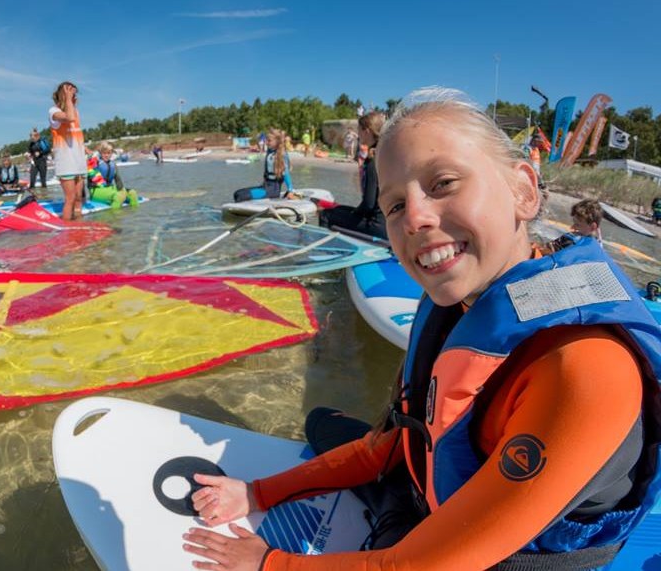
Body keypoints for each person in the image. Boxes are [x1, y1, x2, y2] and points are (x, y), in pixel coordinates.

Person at [182, 87, 661, 570]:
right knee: (322, 424)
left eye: (444, 183)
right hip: (432, 489)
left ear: (523, 190)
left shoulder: (585, 369)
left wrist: (269, 562)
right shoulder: (460, 305)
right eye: (393, 206)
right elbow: (407, 437)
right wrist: (257, 492)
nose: (413, 218)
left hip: (493, 556)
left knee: (375, 496)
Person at [318, 111, 387, 239]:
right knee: (338, 210)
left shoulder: (373, 162)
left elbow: (368, 204)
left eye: (359, 130)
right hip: (387, 223)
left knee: (325, 215)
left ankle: (326, 252)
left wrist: (355, 213)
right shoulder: (384, 156)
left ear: (367, 131)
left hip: (376, 225)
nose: (358, 135)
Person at [49, 81, 87, 220]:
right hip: (66, 162)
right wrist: (68, 99)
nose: (74, 97)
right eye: (71, 93)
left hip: (78, 160)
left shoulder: (76, 111)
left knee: (78, 198)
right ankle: (68, 228)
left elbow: (75, 133)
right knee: (70, 198)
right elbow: (69, 118)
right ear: (63, 95)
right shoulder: (54, 111)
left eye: (75, 94)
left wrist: (85, 149)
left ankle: (79, 225)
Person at [233, 129, 294, 202]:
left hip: (272, 191)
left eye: (269, 140)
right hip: (265, 186)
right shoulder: (270, 151)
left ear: (277, 142)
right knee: (237, 194)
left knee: (241, 196)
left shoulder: (282, 155)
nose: (266, 142)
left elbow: (286, 174)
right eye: (266, 140)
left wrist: (290, 191)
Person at [86, 142, 139, 209]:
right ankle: (114, 217)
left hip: (110, 189)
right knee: (118, 196)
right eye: (104, 153)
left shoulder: (113, 165)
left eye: (109, 153)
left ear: (111, 153)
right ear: (100, 153)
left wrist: (122, 190)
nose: (106, 155)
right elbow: (90, 174)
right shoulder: (94, 162)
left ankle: (134, 217)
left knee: (132, 193)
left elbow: (118, 181)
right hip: (96, 191)